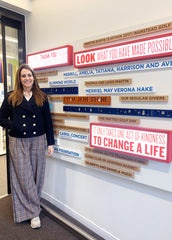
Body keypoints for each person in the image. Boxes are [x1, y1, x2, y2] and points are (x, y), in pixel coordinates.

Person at [0, 63, 55, 229]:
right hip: (18, 141)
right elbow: (1, 118)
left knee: (37, 176)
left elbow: (48, 121)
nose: (27, 78)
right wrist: (14, 124)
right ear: (19, 79)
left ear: (33, 77)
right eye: (23, 76)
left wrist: (50, 142)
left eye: (29, 75)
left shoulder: (42, 97)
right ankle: (33, 212)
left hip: (38, 140)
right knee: (23, 178)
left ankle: (29, 209)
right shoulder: (11, 97)